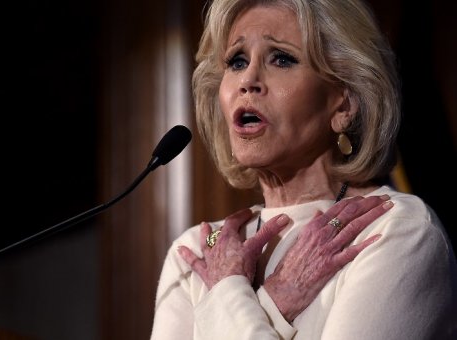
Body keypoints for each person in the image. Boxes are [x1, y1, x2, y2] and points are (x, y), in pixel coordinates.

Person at [149, 0, 457, 339]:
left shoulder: (394, 230)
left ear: (345, 102)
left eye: (281, 58)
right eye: (237, 61)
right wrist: (275, 298)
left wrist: (224, 290)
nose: (248, 80)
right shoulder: (198, 252)